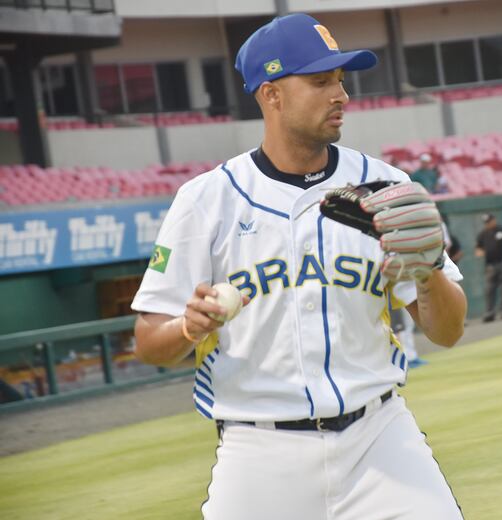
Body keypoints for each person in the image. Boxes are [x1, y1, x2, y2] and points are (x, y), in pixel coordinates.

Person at [130, 13, 466, 520]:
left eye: (340, 80)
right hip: (259, 450)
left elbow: (448, 331)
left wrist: (427, 271)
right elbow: (149, 341)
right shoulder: (207, 200)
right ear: (271, 94)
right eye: (319, 81)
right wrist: (186, 326)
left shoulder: (384, 186)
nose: (340, 95)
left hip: (379, 436)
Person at [475, 213, 502, 322]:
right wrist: (480, 252)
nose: (488, 224)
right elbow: (478, 249)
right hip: (490, 265)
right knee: (489, 289)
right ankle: (489, 312)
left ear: (494, 220)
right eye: (486, 222)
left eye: (489, 221)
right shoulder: (482, 234)